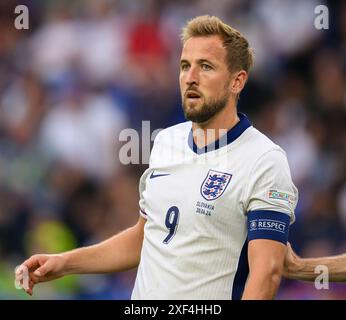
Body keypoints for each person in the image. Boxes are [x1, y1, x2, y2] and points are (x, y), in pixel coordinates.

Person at [15, 15, 298, 300]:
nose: (191, 78)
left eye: (206, 67)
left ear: (237, 81)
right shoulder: (165, 141)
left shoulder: (264, 160)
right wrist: (64, 263)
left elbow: (267, 272)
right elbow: (144, 238)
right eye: (185, 66)